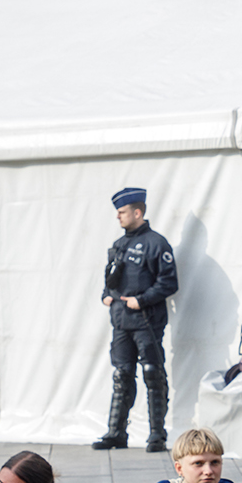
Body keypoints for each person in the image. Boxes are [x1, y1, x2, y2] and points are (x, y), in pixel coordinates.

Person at [93, 187, 179, 452]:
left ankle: (156, 435)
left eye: (122, 212)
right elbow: (113, 279)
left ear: (137, 212)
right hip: (121, 322)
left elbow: (169, 282)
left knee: (153, 374)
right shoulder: (119, 245)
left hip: (146, 322)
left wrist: (141, 299)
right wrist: (106, 295)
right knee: (122, 375)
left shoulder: (157, 243)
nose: (118, 217)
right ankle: (116, 433)